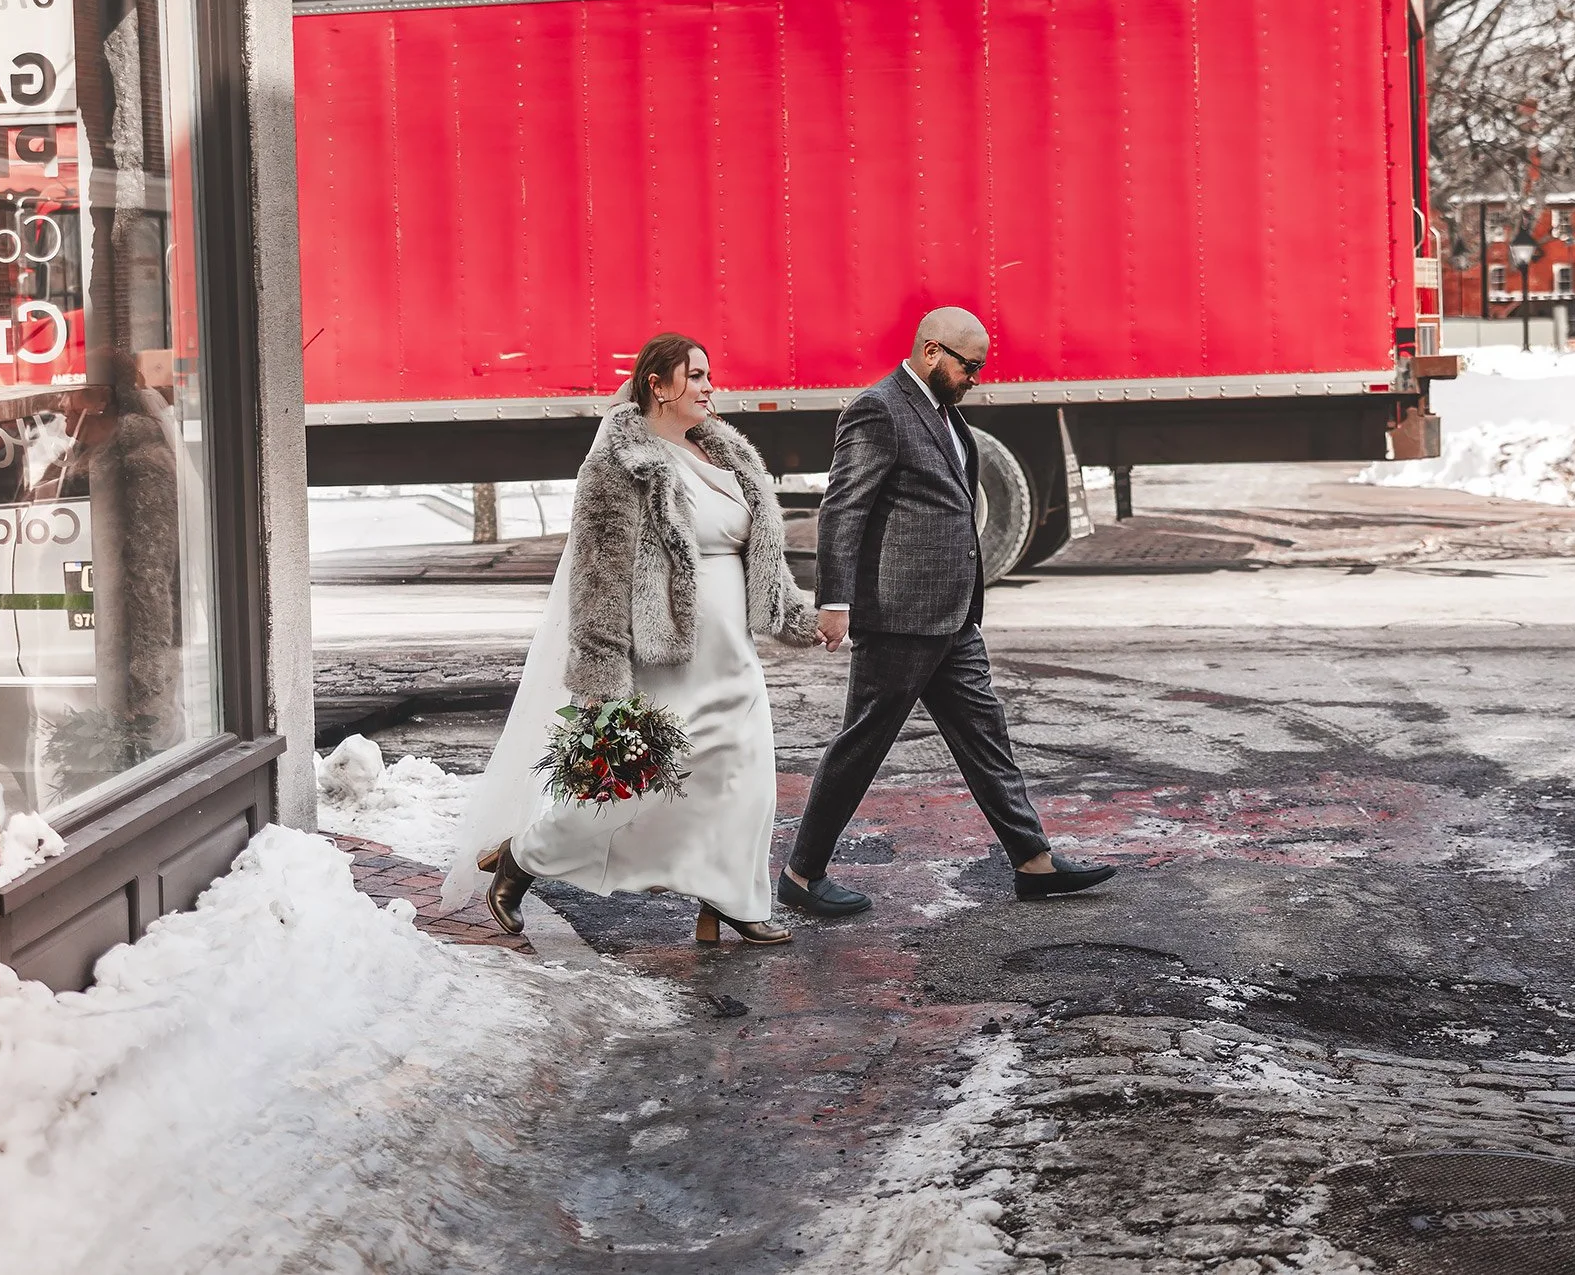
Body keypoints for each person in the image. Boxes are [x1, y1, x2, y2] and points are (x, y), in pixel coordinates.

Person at [445, 333, 820, 946]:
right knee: (630, 789)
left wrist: (802, 623)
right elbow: (599, 576)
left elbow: (764, 558)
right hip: (667, 659)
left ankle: (733, 900)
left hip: (734, 658)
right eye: (694, 376)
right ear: (657, 384)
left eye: (707, 375)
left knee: (742, 781)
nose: (707, 386)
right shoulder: (620, 463)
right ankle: (522, 859)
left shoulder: (727, 455)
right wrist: (601, 679)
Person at [778, 306, 1114, 915]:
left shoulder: (947, 417)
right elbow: (843, 508)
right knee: (863, 745)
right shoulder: (879, 408)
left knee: (986, 737)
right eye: (969, 365)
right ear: (932, 351)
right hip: (901, 618)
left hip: (953, 616)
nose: (976, 378)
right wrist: (834, 600)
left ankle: (1033, 860)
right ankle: (802, 875)